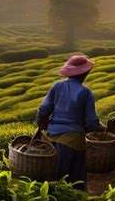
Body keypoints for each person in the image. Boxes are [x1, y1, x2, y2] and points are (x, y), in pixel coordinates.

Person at [37, 54, 100, 189]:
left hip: (52, 140)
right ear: (85, 74)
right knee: (75, 180)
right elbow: (91, 122)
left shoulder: (57, 86)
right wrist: (97, 129)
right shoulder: (86, 92)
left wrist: (43, 123)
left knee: (55, 180)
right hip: (75, 141)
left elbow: (43, 110)